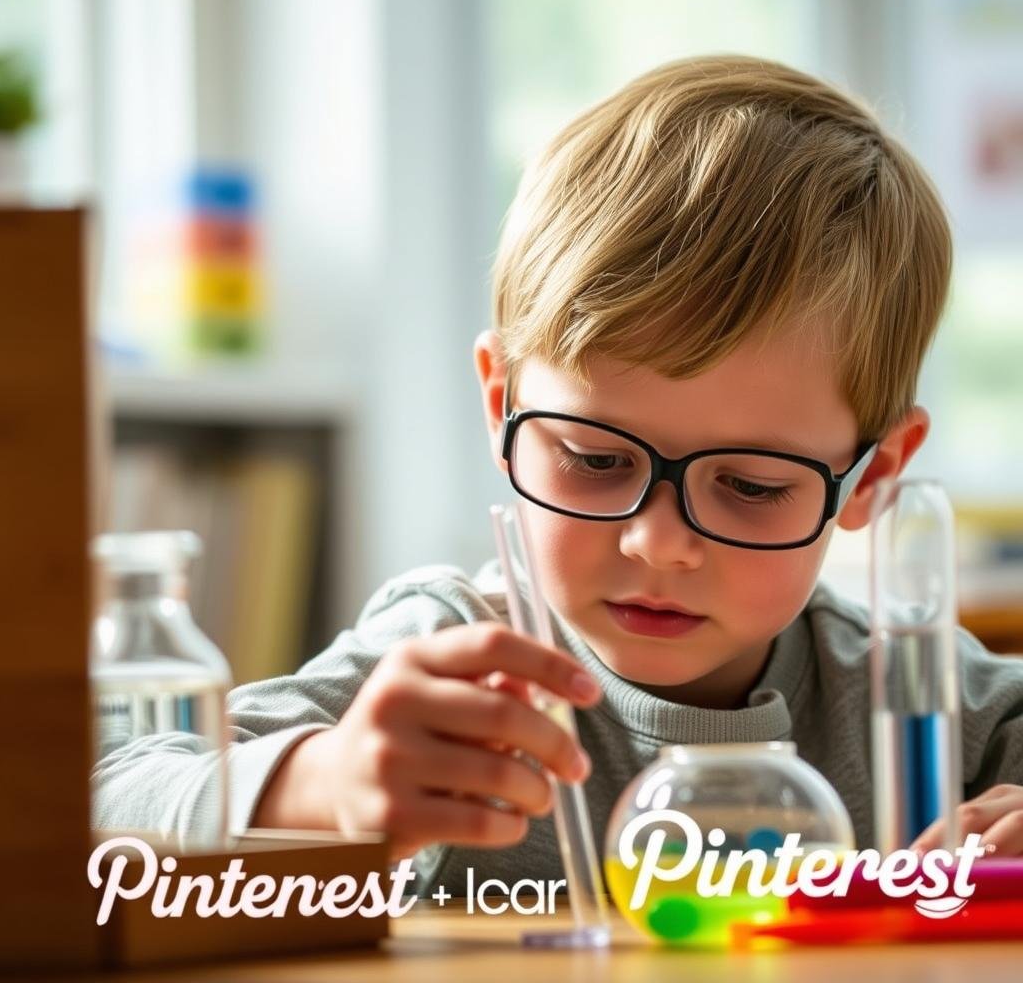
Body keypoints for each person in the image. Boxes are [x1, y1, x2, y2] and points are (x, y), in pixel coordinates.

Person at [95, 56, 1023, 893]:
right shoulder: (457, 662)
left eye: (749, 485)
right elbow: (91, 790)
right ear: (501, 407)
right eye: (595, 460)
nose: (657, 542)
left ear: (872, 476)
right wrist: (319, 781)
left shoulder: (922, 701)